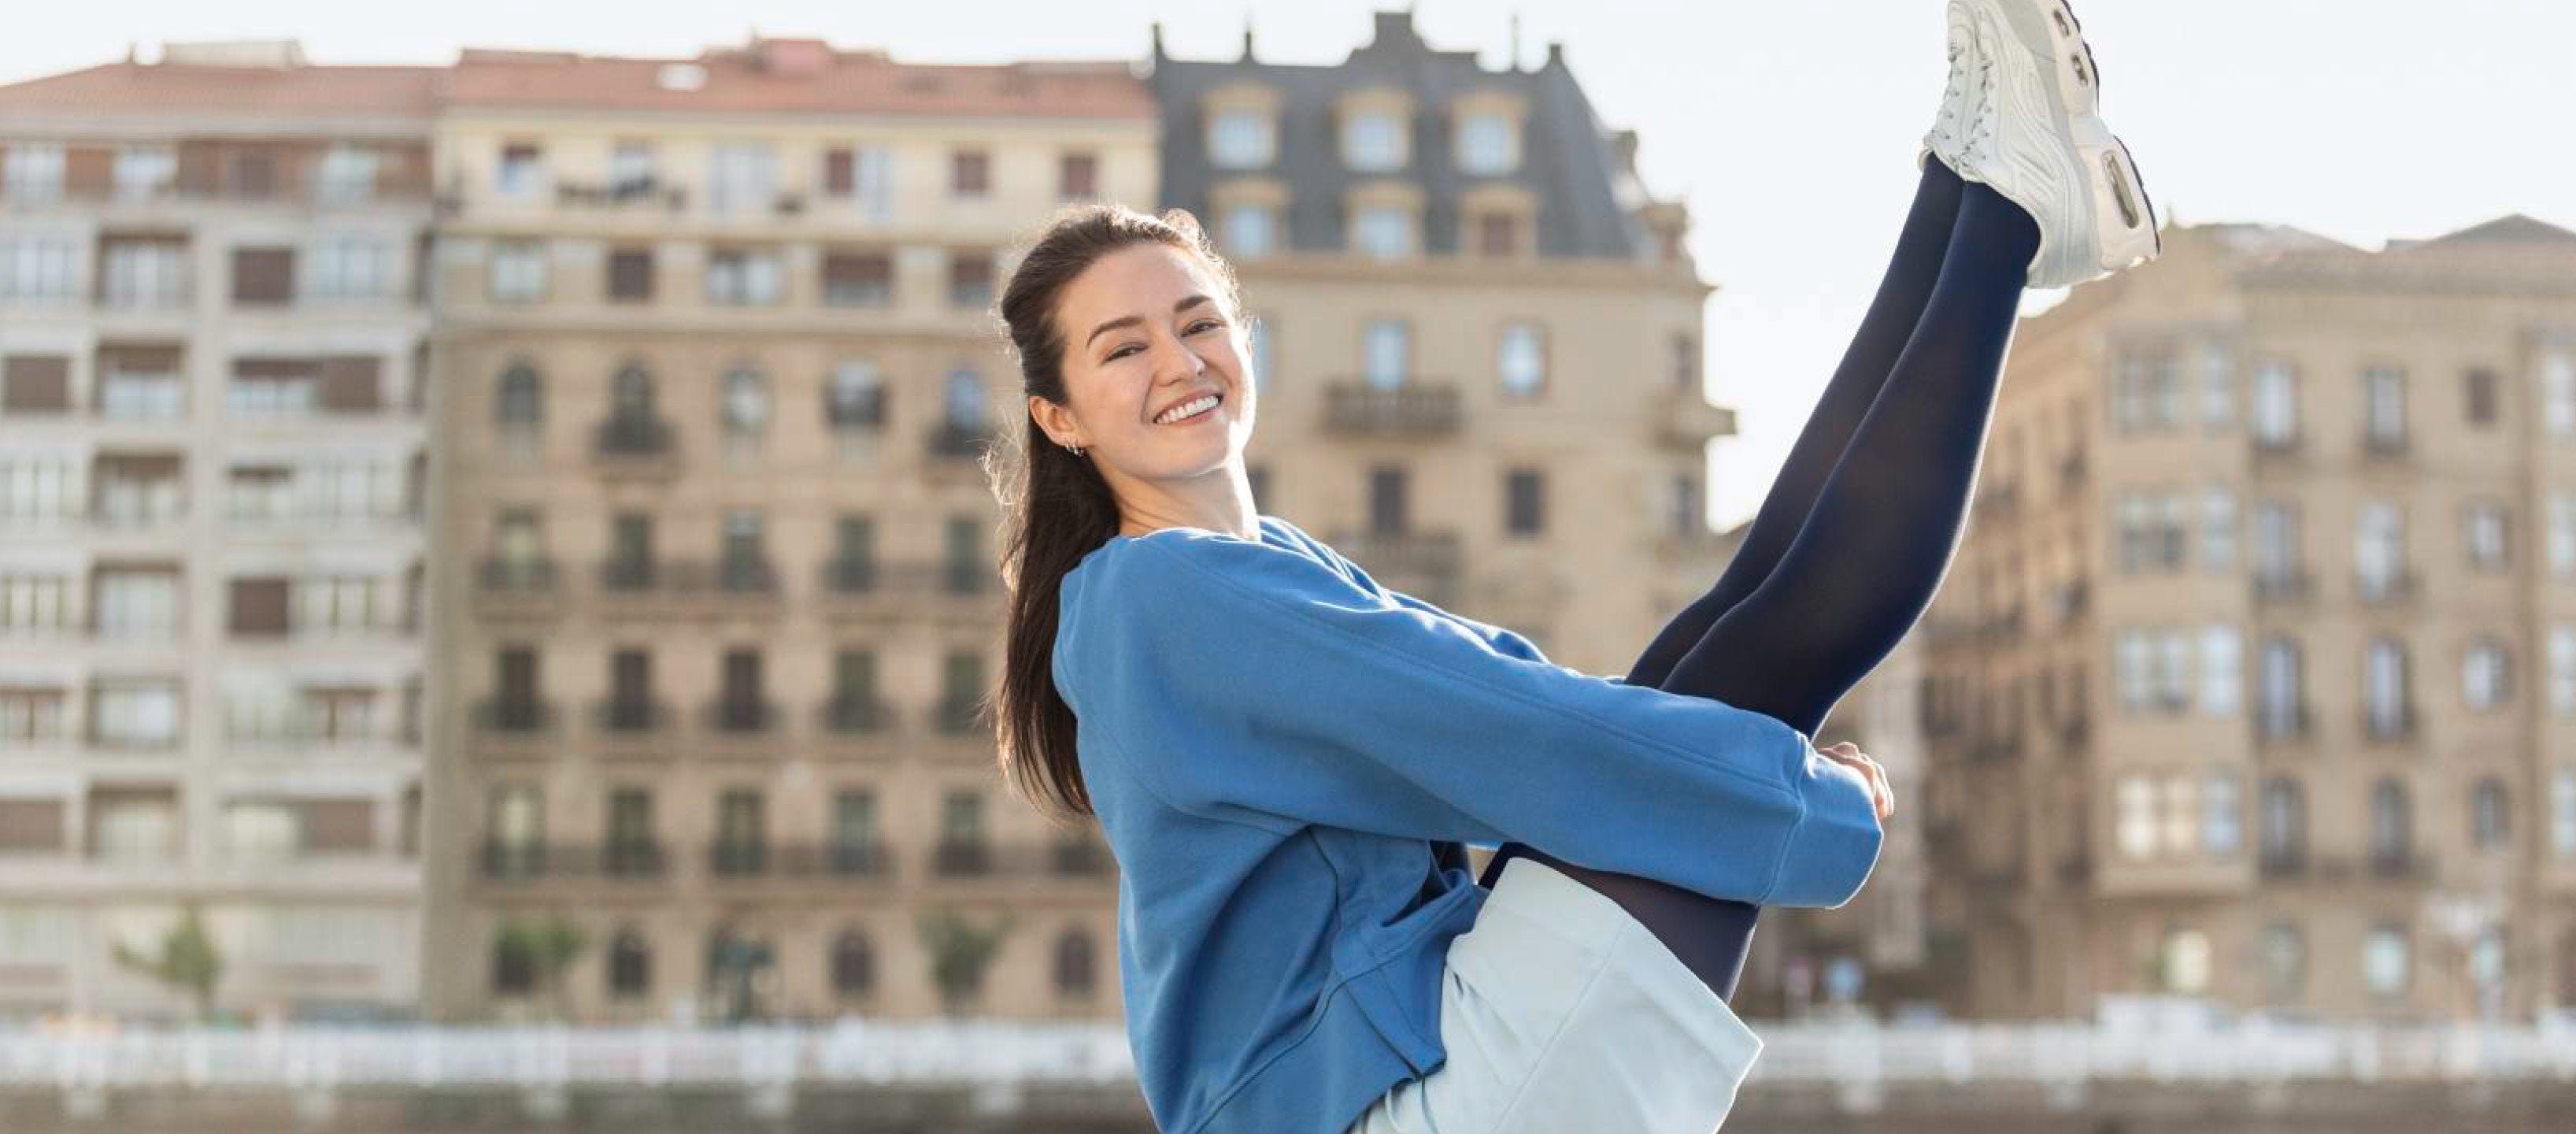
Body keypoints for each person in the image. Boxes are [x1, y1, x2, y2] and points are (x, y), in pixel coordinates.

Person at [990, 2, 2160, 1131]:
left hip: (1407, 1061)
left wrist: (1745, 759)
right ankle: (2001, 210)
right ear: (1061, 418)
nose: (1179, 361)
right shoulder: (1165, 595)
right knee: (1762, 649)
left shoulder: (1231, 572)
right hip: (1401, 1104)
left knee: (1725, 637)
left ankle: (1972, 185)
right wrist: (1803, 803)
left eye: (1199, 321)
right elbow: (1499, 731)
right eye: (1123, 349)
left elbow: (1504, 688)